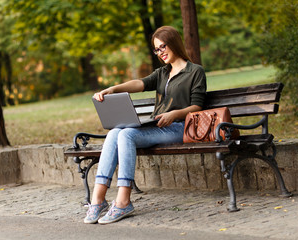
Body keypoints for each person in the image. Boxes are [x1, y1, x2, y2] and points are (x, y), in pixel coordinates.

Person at [84, 26, 207, 224]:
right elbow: (139, 83)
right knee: (115, 132)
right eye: (157, 49)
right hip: (158, 127)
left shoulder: (195, 71)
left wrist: (175, 113)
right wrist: (112, 89)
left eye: (163, 47)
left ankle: (123, 202)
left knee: (126, 135)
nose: (161, 52)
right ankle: (97, 200)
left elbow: (198, 105)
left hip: (179, 127)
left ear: (174, 43)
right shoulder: (162, 73)